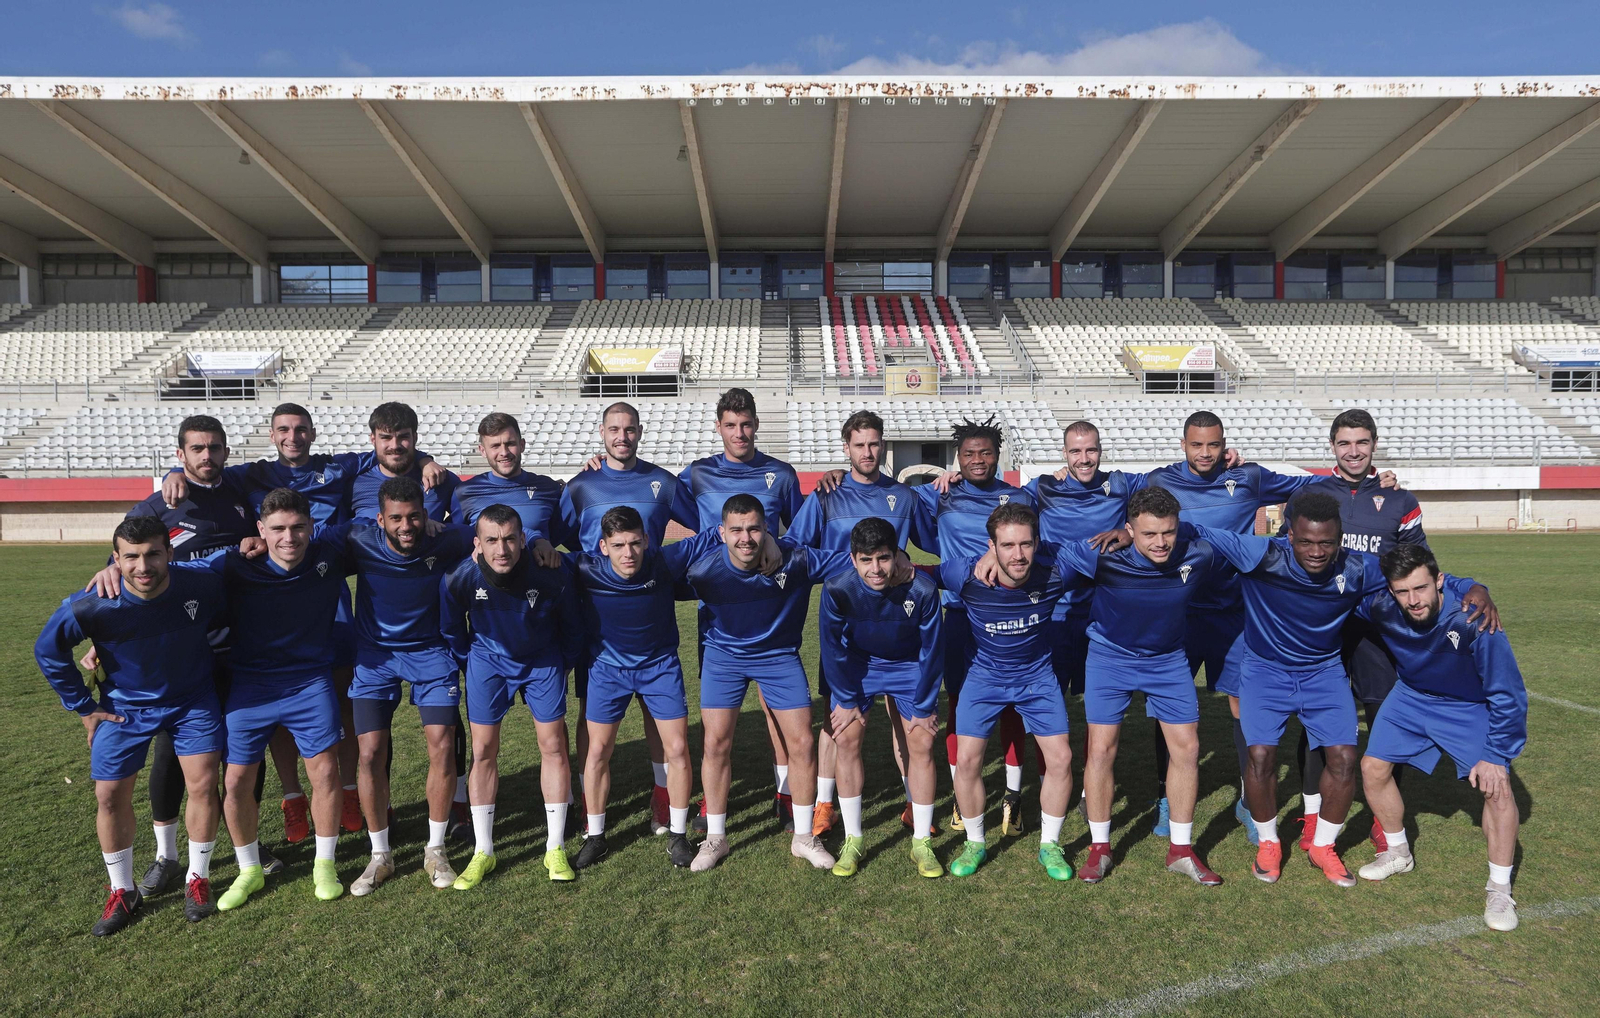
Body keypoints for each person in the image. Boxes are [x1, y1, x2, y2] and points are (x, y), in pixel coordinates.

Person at [160, 401, 450, 840]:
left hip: (325, 595)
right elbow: (207, 474)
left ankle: (349, 789)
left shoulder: (337, 467)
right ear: (272, 434)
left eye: (300, 429)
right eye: (283, 429)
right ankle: (293, 798)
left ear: (313, 433)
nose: (292, 437)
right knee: (280, 706)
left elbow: (391, 452)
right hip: (270, 599)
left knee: (344, 700)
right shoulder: (250, 474)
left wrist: (427, 459)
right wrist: (172, 474)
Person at [1186, 493, 1494, 887]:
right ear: (1289, 535)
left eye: (1326, 543)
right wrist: (1128, 534)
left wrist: (1475, 586)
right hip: (1266, 672)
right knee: (1260, 756)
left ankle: (1323, 846)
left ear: (1340, 538)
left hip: (1323, 672)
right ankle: (1269, 843)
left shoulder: (1358, 567)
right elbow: (1191, 528)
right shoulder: (1260, 554)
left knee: (1346, 760)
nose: (1316, 552)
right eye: (1306, 542)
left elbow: (1416, 574)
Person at [83, 490, 356, 910]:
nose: (290, 537)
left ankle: (325, 864)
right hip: (250, 685)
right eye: (278, 529)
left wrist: (433, 525)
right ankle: (248, 869)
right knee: (234, 782)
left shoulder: (330, 552)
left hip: (309, 682)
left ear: (312, 527)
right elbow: (161, 579)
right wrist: (111, 574)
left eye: (298, 527)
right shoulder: (232, 563)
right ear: (260, 531)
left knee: (324, 772)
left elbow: (386, 530)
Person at [686, 494, 904, 872]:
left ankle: (804, 837)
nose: (746, 538)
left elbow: (852, 563)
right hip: (724, 657)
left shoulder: (796, 558)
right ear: (721, 532)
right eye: (736, 530)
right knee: (716, 742)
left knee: (802, 742)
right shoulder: (701, 569)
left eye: (755, 528)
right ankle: (715, 838)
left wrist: (899, 559)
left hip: (778, 656)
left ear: (767, 528)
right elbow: (648, 568)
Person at [35, 517, 226, 935]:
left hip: (192, 701)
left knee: (202, 783)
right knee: (108, 796)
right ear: (115, 560)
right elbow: (48, 650)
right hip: (123, 709)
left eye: (154, 554)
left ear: (170, 553)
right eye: (132, 557)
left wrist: (255, 540)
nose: (144, 566)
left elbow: (231, 559)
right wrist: (84, 707)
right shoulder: (92, 602)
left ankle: (198, 878)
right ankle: (123, 890)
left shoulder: (200, 583)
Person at [118, 415, 276, 896]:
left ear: (227, 451)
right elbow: (121, 563)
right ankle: (166, 856)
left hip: (240, 644)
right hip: (181, 652)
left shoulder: (242, 494)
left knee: (246, 744)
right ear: (181, 453)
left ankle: (245, 838)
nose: (207, 456)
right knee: (172, 750)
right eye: (197, 449)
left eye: (215, 448)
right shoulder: (159, 503)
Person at [1047, 487, 1226, 886]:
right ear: (1129, 529)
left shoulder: (1199, 554)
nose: (1161, 542)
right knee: (1101, 749)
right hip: (1110, 659)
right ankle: (1100, 847)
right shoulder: (1104, 554)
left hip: (1168, 661)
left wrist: (1162, 531)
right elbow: (1043, 553)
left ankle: (1180, 850)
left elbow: (1225, 539)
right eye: (1148, 534)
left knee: (1189, 748)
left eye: (1168, 532)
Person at [1354, 544, 1524, 931]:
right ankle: (1398, 852)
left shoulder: (1474, 618)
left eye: (1421, 588)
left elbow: (1508, 694)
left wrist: (1497, 754)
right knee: (1373, 768)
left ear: (1440, 582)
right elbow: (1341, 584)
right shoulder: (1382, 605)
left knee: (1496, 788)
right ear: (1391, 590)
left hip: (1466, 706)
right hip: (1411, 695)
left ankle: (1499, 890)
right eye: (1403, 592)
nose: (1413, 601)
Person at [1284, 409, 1427, 853]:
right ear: (1332, 446)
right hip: (1321, 626)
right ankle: (1312, 817)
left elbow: (1419, 563)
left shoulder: (1400, 500)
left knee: (1385, 718)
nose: (1353, 451)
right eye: (1345, 443)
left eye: (1362, 442)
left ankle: (1384, 818)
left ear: (1374, 445)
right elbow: (1287, 554)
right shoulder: (1309, 495)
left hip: (1376, 630)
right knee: (1315, 722)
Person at [791, 409, 934, 837]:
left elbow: (931, 541)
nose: (868, 452)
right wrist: (849, 573)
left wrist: (951, 482)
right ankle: (823, 803)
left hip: (897, 624)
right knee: (836, 723)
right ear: (846, 448)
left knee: (901, 720)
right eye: (859, 445)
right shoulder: (827, 495)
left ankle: (913, 802)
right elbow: (797, 550)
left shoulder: (905, 498)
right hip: (846, 628)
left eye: (874, 444)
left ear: (883, 445)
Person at [671, 388, 804, 830]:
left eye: (746, 424)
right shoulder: (697, 474)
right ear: (719, 427)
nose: (740, 433)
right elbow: (668, 515)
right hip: (719, 608)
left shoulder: (780, 474)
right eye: (731, 425)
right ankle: (714, 806)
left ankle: (785, 792)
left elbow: (800, 532)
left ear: (756, 425)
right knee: (717, 722)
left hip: (770, 607)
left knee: (774, 709)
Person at [565, 506, 718, 872]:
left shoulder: (663, 561)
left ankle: (678, 835)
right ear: (603, 547)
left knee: (678, 749)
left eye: (635, 543)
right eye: (618, 545)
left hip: (659, 667)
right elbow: (538, 558)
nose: (628, 553)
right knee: (597, 751)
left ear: (648, 541)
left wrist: (750, 536)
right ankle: (596, 836)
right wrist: (537, 542)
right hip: (607, 670)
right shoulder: (584, 568)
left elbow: (713, 535)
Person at [344, 476, 475, 896]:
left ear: (426, 515)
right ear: (379, 518)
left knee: (441, 742)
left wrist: (539, 540)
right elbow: (303, 538)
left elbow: (498, 531)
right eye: (396, 518)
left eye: (414, 516)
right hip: (374, 658)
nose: (406, 525)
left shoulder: (448, 539)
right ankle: (379, 855)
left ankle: (435, 849)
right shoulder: (357, 538)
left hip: (431, 654)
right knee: (368, 753)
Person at [440, 504, 581, 886]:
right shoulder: (460, 576)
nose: (501, 549)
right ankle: (483, 851)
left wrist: (559, 664)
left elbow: (572, 625)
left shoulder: (552, 572)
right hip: (488, 661)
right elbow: (452, 629)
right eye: (491, 540)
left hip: (542, 661)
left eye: (508, 539)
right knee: (483, 750)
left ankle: (555, 848)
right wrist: (474, 661)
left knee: (552, 745)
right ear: (477, 544)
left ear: (522, 539)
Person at [562, 401, 683, 836]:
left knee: (657, 714)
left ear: (640, 431)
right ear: (601, 432)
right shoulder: (580, 485)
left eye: (629, 429)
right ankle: (583, 800)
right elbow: (557, 539)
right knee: (589, 716)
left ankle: (663, 795)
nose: (622, 437)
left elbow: (706, 525)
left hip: (650, 616)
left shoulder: (663, 483)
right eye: (614, 429)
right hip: (596, 621)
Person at [938, 503, 1076, 881]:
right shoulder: (964, 575)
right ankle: (976, 842)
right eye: (1008, 545)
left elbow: (1113, 551)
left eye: (1026, 544)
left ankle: (1050, 844)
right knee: (966, 761)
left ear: (1038, 543)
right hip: (984, 677)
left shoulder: (1057, 572)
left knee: (1061, 759)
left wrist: (1128, 534)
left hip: (1037, 677)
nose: (1018, 555)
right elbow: (911, 572)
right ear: (991, 546)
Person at [918, 416, 1036, 835]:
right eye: (969, 454)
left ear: (997, 455)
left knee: (1012, 705)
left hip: (1011, 614)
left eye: (986, 452)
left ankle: (1013, 797)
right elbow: (883, 494)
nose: (978, 460)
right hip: (960, 614)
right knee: (960, 704)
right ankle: (959, 794)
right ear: (958, 458)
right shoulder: (939, 494)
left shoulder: (1018, 496)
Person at [818, 518, 944, 877]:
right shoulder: (838, 587)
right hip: (861, 665)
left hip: (908, 667)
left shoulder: (921, 589)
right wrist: (843, 698)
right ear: (853, 559)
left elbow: (933, 650)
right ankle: (854, 839)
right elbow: (830, 647)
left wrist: (923, 706)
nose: (876, 569)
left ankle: (921, 842)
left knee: (921, 744)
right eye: (866, 560)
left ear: (897, 556)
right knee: (846, 739)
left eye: (884, 558)